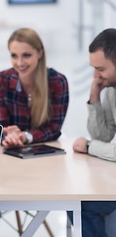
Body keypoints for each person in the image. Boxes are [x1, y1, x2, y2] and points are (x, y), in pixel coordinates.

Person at [0, 28, 69, 148]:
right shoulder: (1, 81)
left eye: (26, 55)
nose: (20, 63)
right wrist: (8, 136)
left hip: (46, 150)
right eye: (14, 56)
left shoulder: (57, 82)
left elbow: (54, 129)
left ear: (40, 53)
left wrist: (26, 136)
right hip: (13, 150)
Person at [72, 28, 116, 237]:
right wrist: (94, 97)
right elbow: (103, 135)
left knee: (79, 205)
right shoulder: (111, 90)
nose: (95, 76)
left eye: (100, 69)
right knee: (73, 198)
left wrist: (89, 147)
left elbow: (96, 143)